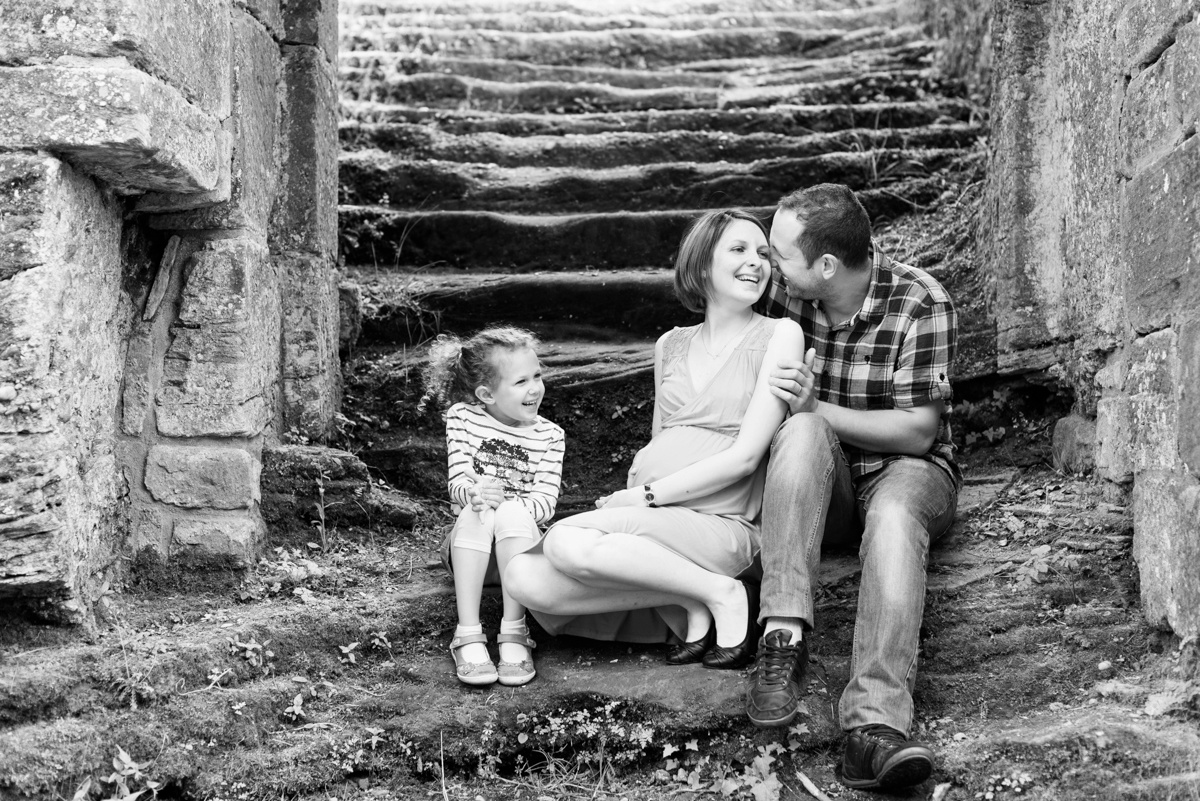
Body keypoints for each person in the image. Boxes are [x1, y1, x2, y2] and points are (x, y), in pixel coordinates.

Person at [505, 209, 803, 666]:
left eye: (763, 253)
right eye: (739, 250)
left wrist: (642, 497)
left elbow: (746, 458)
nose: (757, 263)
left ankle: (726, 594)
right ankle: (692, 598)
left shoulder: (781, 334)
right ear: (702, 264)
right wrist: (643, 494)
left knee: (567, 542)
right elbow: (661, 440)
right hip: (660, 519)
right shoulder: (670, 344)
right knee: (523, 576)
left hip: (722, 523)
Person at [747, 183, 960, 791]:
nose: (768, 265)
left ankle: (872, 728)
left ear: (827, 266)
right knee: (806, 432)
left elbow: (918, 433)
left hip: (910, 474)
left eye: (779, 254)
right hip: (825, 484)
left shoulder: (921, 301)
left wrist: (818, 405)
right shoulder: (784, 300)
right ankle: (783, 637)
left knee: (892, 514)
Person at [420, 326, 565, 687]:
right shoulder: (462, 418)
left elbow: (545, 505)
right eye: (521, 382)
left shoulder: (551, 435)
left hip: (522, 558)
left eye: (537, 376)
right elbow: (457, 484)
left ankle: (514, 630)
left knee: (512, 511)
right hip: (472, 556)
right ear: (486, 393)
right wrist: (475, 493)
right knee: (477, 510)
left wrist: (508, 505)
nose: (535, 388)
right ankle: (467, 633)